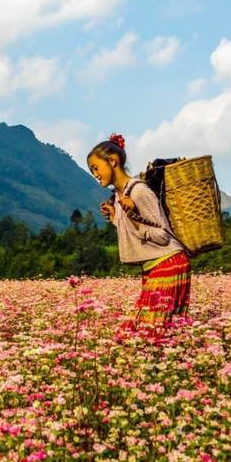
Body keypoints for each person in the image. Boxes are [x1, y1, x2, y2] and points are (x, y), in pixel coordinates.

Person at [87, 134, 190, 332]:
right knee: (158, 333)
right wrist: (116, 217)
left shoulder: (139, 191)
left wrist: (133, 215)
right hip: (154, 266)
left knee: (149, 333)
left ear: (113, 161)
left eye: (96, 168)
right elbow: (135, 232)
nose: (95, 174)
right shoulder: (119, 196)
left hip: (168, 263)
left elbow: (162, 235)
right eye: (92, 171)